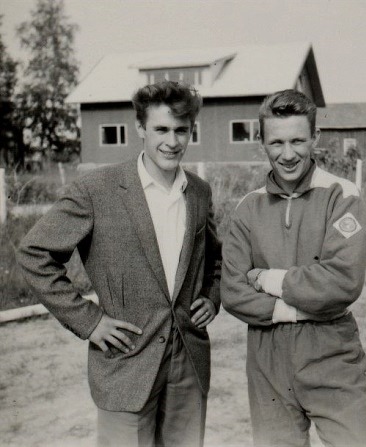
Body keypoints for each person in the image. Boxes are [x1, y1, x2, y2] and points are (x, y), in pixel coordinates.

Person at [17, 81, 221, 447]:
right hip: (125, 360)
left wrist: (212, 294)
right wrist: (89, 320)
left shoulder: (199, 192)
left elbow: (216, 257)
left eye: (181, 130)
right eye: (161, 129)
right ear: (140, 128)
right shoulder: (96, 189)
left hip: (187, 361)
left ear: (192, 130)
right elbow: (34, 254)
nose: (171, 142)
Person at [221, 89, 366, 447]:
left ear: (315, 137)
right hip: (267, 358)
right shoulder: (248, 208)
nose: (288, 154)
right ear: (262, 141)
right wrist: (294, 306)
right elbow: (232, 291)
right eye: (276, 142)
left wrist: (266, 278)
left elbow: (342, 281)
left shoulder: (342, 195)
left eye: (297, 140)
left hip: (330, 350)